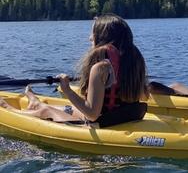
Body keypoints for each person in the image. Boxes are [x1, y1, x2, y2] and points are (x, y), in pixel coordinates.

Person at [0, 14, 149, 127]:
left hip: (101, 124)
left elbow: (91, 114)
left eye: (93, 34)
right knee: (67, 108)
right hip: (121, 117)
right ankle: (35, 102)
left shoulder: (100, 68)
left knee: (46, 112)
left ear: (102, 37)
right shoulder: (136, 60)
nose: (90, 38)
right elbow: (144, 94)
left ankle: (7, 108)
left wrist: (67, 90)